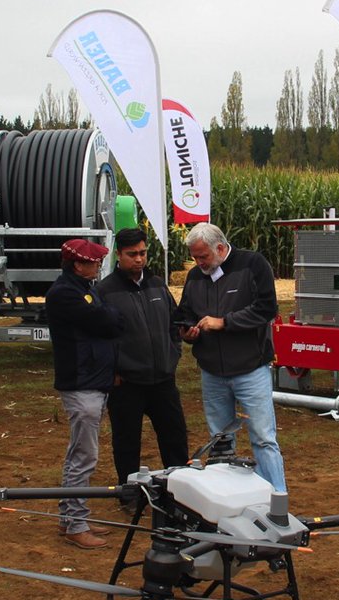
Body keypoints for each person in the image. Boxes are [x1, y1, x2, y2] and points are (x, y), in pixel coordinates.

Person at [176, 222, 285, 492]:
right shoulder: (194, 277)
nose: (199, 262)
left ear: (221, 248)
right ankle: (229, 497)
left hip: (251, 368)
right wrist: (187, 332)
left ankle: (276, 499)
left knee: (262, 437)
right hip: (212, 371)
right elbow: (184, 314)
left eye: (203, 256)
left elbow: (266, 308)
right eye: (195, 257)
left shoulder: (253, 265)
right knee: (220, 439)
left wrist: (225, 322)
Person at [97, 228, 188, 509]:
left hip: (162, 379)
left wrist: (173, 356)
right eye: (132, 254)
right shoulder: (104, 291)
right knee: (127, 442)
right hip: (127, 383)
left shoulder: (158, 285)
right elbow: (99, 338)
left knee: (174, 437)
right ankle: (131, 496)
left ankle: (179, 494)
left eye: (143, 253)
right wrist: (113, 370)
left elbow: (174, 324)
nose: (139, 259)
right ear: (118, 255)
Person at [46, 238, 124, 549]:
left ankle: (70, 519)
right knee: (84, 456)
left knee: (79, 452)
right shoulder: (66, 294)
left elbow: (107, 319)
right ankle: (76, 523)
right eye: (93, 262)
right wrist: (109, 317)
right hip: (82, 383)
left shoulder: (82, 289)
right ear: (78, 265)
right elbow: (108, 320)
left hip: (91, 380)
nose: (98, 265)